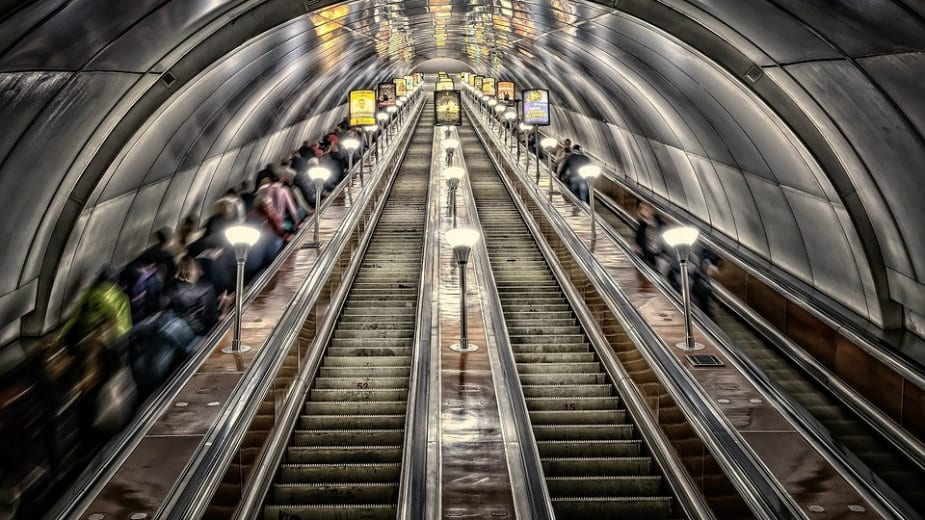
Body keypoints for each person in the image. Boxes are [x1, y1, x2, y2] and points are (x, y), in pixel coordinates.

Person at [162, 256, 218, 337]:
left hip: (178, 330)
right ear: (197, 269)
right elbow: (210, 318)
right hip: (198, 331)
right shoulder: (205, 289)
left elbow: (163, 307)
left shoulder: (170, 288)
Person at [634, 202, 664, 267]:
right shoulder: (641, 225)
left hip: (660, 255)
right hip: (648, 256)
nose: (647, 210)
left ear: (653, 210)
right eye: (644, 209)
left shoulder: (661, 224)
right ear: (641, 211)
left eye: (648, 208)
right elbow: (638, 239)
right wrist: (638, 247)